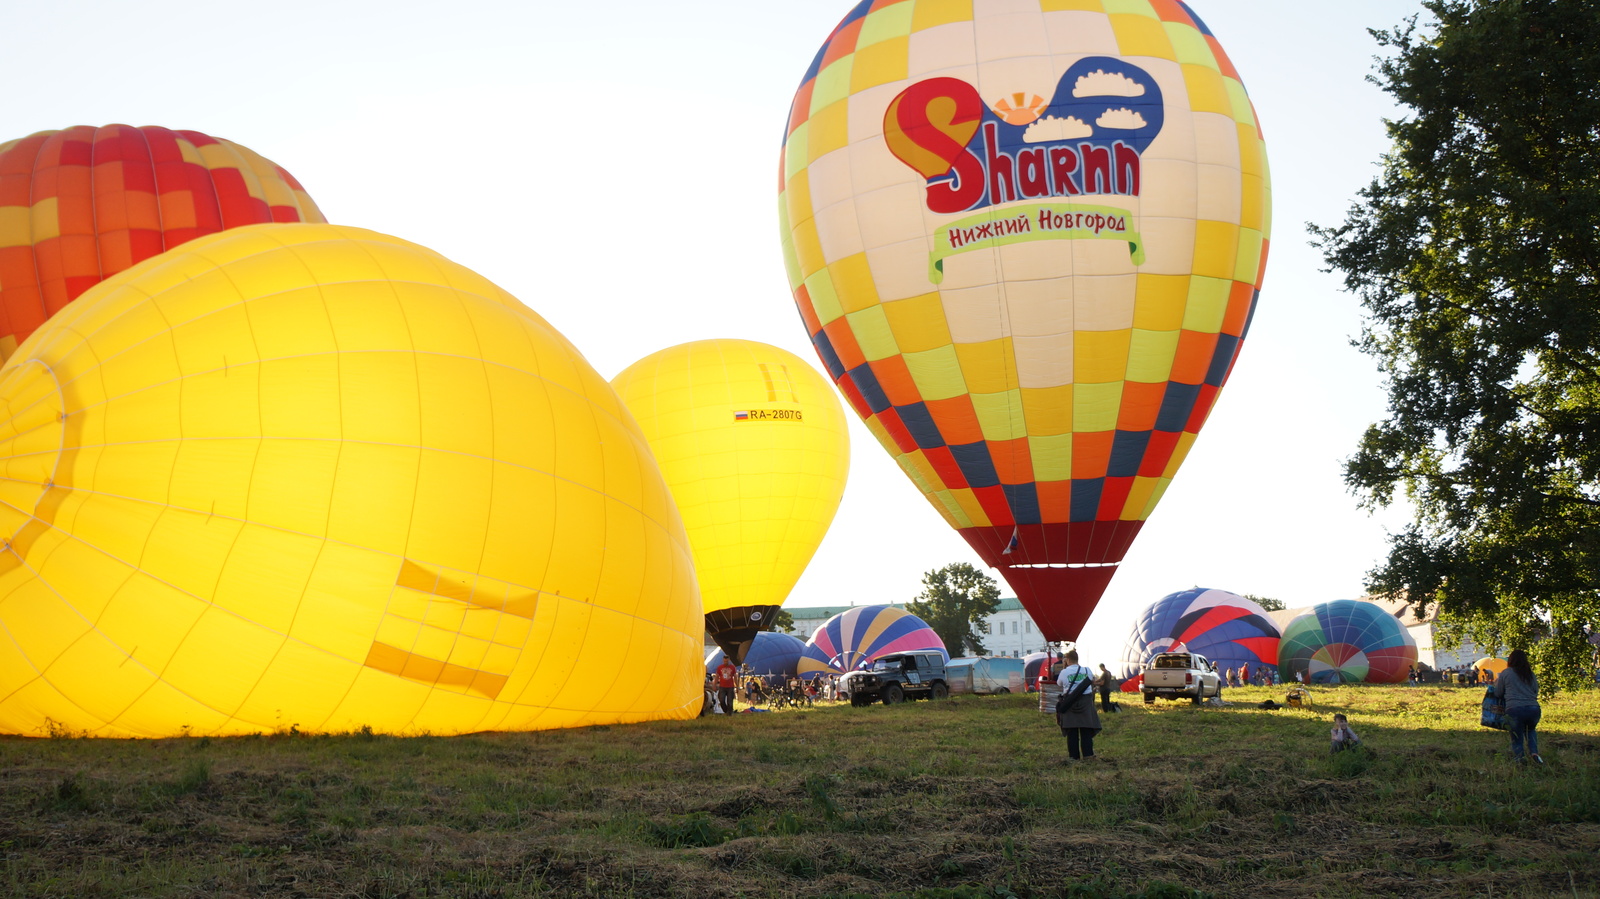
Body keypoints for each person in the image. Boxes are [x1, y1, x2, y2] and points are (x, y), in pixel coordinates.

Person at [1493, 649, 1542, 764]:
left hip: (1514, 709)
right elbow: (1536, 691)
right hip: (1534, 709)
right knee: (1530, 730)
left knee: (1517, 735)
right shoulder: (1530, 674)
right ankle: (1534, 753)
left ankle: (1519, 758)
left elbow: (1498, 693)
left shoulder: (1506, 673)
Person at [1054, 651, 1102, 761]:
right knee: (1086, 731)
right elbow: (1092, 681)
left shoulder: (1064, 672)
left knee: (1072, 732)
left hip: (1070, 703)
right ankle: (1088, 755)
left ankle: (1074, 757)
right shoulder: (1087, 670)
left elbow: (1059, 684)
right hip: (1086, 703)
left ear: (1067, 660)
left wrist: (1065, 668)